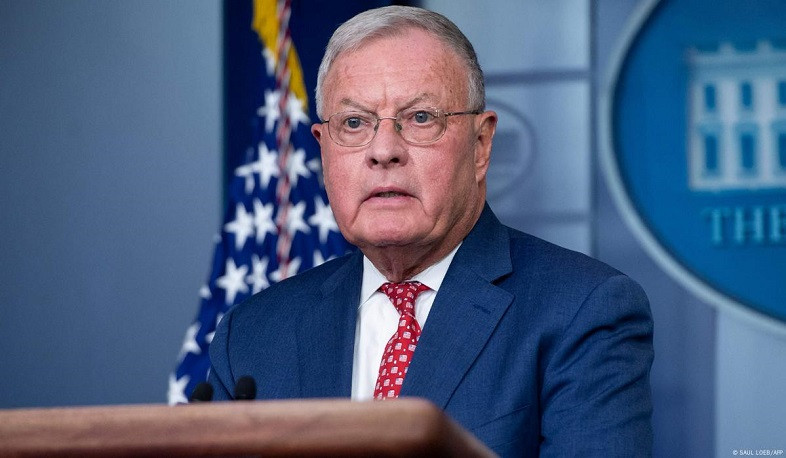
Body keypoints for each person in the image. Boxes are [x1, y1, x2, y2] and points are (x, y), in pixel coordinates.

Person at [209, 5, 653, 456]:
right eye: (354, 123)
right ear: (323, 151)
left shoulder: (583, 311)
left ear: (481, 146)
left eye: (421, 117)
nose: (384, 151)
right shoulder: (251, 336)